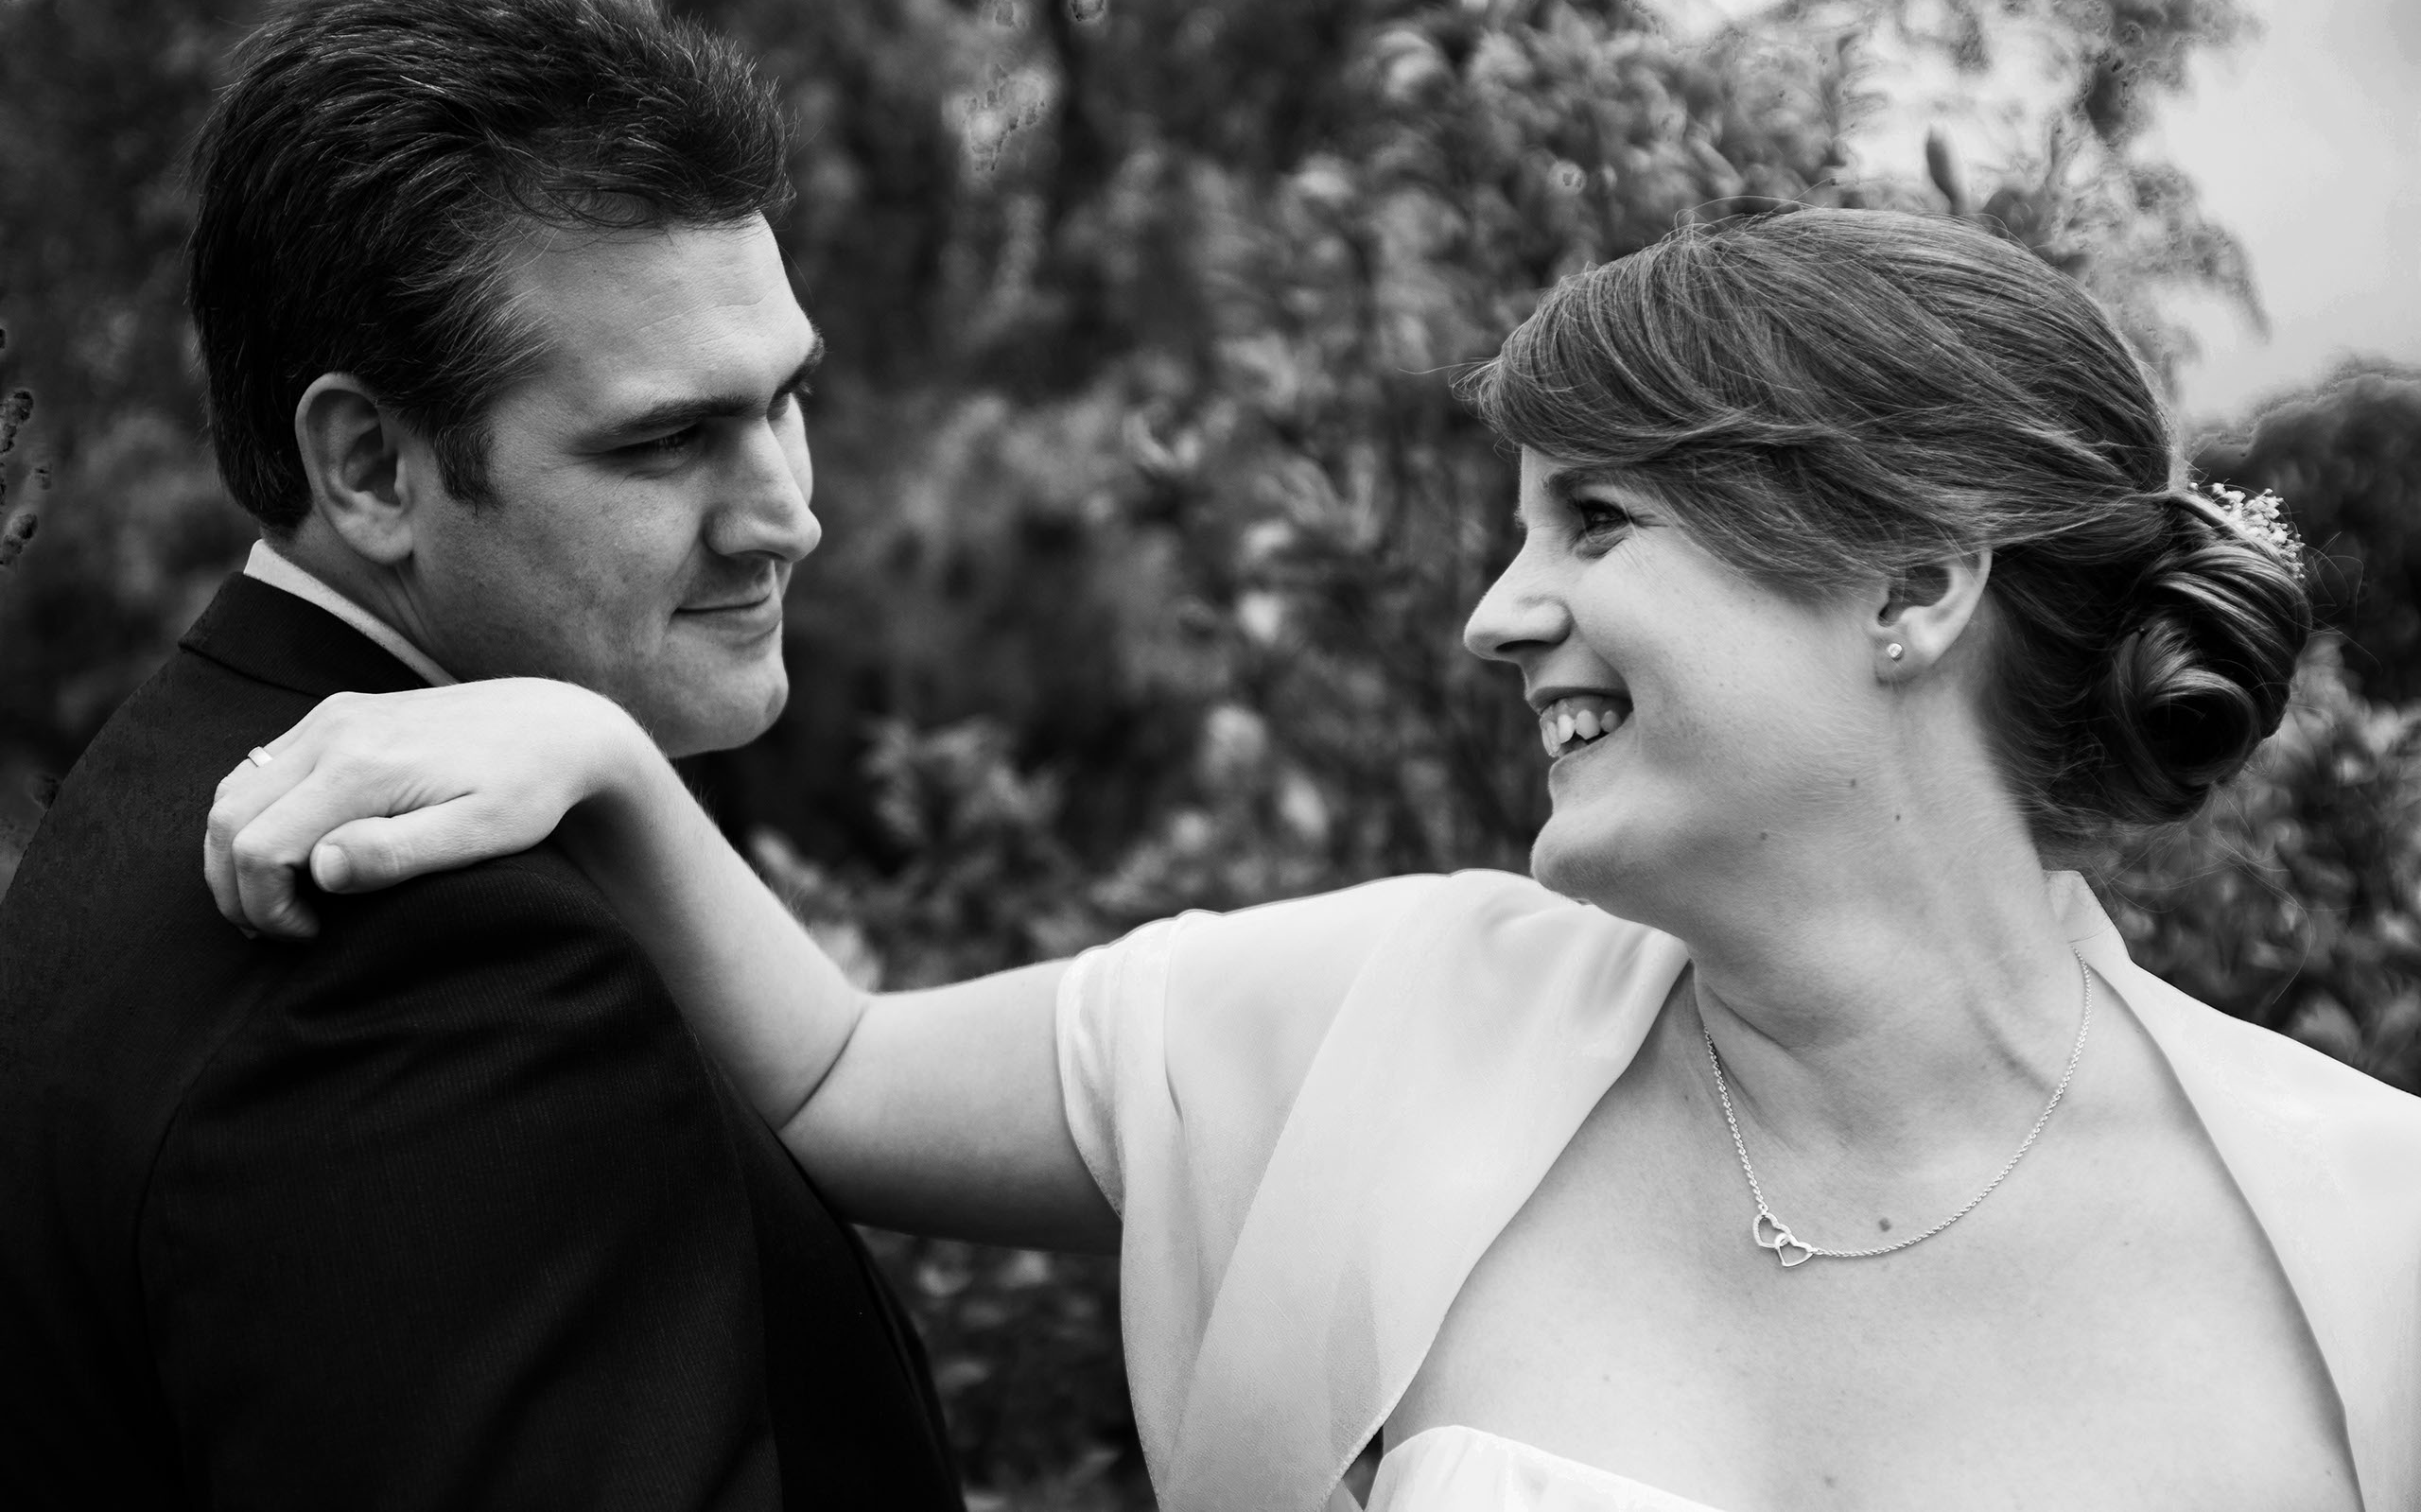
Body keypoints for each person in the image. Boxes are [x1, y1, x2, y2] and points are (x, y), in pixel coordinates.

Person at [207, 210, 2421, 1512]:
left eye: (1595, 522)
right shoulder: (1379, 1010)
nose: (1494, 614)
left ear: (1911, 585)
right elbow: (832, 1075)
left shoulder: (2372, 1252)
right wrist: (595, 756)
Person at [0, 0, 964, 1511]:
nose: (787, 513)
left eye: (786, 398)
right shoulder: (433, 979)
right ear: (371, 468)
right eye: (669, 440)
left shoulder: (166, 773)